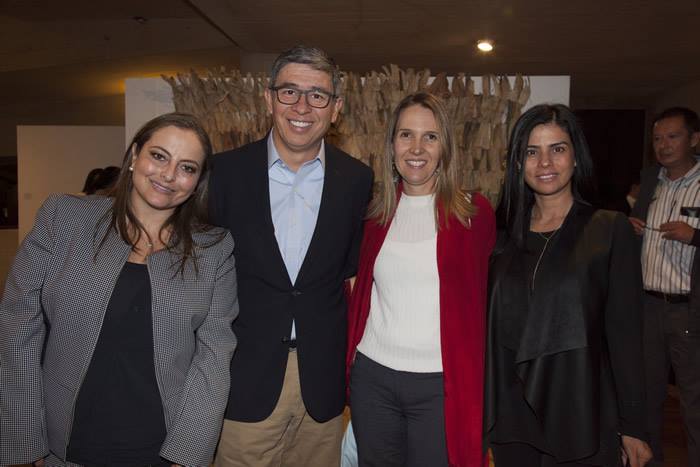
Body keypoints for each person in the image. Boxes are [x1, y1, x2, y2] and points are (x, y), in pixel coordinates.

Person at [0, 113, 239, 466]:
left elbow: (214, 358)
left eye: (187, 167)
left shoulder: (213, 248)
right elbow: (18, 328)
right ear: (134, 156)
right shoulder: (63, 218)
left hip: (160, 447)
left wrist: (188, 454)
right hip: (61, 441)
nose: (169, 175)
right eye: (159, 156)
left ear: (197, 181)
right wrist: (25, 442)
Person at [210, 45, 373, 467]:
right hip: (243, 378)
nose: (302, 106)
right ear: (269, 99)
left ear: (335, 108)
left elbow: (353, 275)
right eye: (289, 92)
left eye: (318, 95)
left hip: (321, 384)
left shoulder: (357, 180)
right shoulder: (223, 174)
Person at [485, 104, 652, 467]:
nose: (544, 162)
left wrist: (634, 425)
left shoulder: (609, 230)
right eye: (532, 152)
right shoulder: (499, 238)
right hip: (512, 418)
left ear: (576, 157)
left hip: (582, 413)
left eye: (557, 149)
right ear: (517, 163)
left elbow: (625, 336)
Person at [346, 92, 495, 467]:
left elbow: (485, 302)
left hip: (440, 387)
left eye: (430, 136)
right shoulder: (374, 218)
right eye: (405, 135)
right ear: (392, 145)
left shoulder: (474, 215)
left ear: (445, 146)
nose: (417, 148)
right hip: (372, 380)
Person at [629, 106, 700, 467]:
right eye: (658, 138)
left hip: (689, 309)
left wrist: (696, 235)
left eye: (673, 136)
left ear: (694, 139)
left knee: (693, 401)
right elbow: (636, 232)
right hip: (647, 305)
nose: (664, 145)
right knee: (647, 396)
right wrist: (632, 229)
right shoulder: (650, 180)